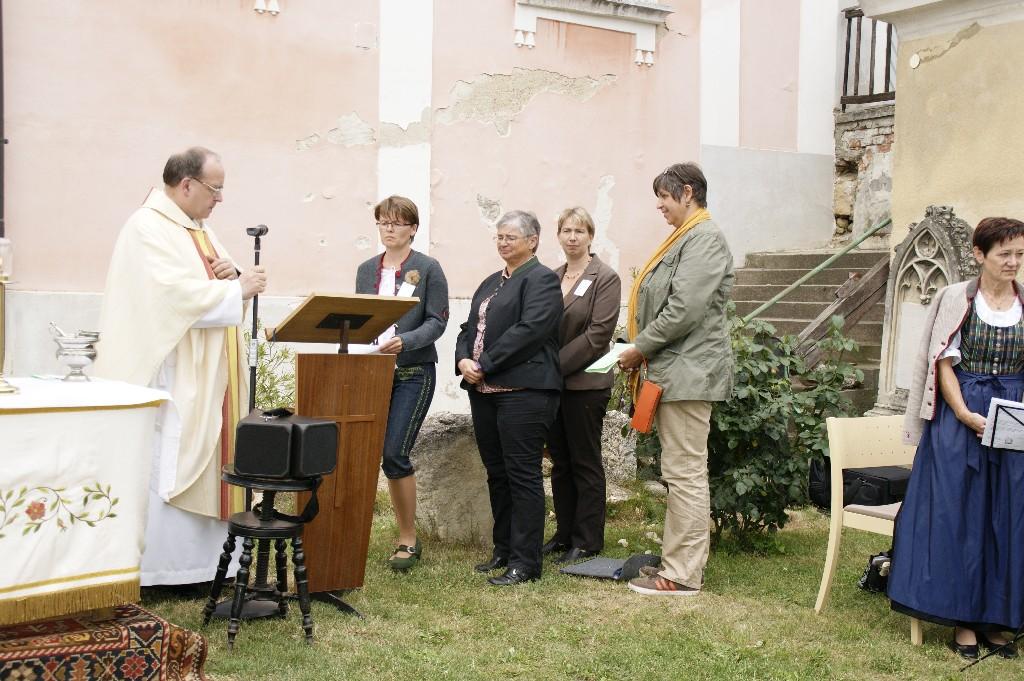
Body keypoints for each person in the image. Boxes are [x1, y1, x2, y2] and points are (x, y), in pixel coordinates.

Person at [94, 146, 267, 586]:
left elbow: (209, 285)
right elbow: (168, 298)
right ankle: (164, 570)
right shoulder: (147, 228)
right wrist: (236, 290)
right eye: (215, 188)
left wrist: (232, 276)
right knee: (171, 459)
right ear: (187, 184)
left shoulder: (198, 228)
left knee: (209, 453)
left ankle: (211, 567)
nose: (220, 198)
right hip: (171, 373)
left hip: (207, 370)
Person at [890, 217, 1024, 661]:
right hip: (960, 415)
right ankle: (963, 620)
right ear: (979, 254)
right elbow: (942, 361)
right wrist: (965, 413)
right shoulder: (955, 298)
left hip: (1013, 416)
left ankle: (997, 618)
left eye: (1020, 254)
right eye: (1005, 254)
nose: (1013, 262)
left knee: (1006, 515)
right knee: (961, 516)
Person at [617, 163, 734, 596]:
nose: (659, 206)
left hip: (689, 372)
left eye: (664, 197)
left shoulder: (704, 238)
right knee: (679, 471)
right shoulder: (687, 237)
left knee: (685, 472)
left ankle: (682, 573)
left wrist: (640, 347)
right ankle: (676, 562)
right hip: (676, 370)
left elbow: (684, 309)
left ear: (687, 192)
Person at [456, 210, 562, 586]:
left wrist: (484, 363)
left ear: (532, 241)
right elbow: (468, 328)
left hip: (525, 392)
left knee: (522, 476)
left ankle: (525, 562)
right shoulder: (490, 281)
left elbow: (530, 330)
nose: (502, 243)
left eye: (510, 237)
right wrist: (463, 360)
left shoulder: (542, 279)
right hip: (484, 391)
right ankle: (503, 550)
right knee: (497, 474)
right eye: (499, 237)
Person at [355, 195, 449, 571]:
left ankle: (408, 537)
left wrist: (406, 341)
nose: (389, 229)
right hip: (373, 372)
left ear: (413, 228)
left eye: (396, 222)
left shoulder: (427, 268)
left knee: (394, 452)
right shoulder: (366, 270)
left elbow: (437, 320)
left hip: (413, 371)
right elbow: (360, 317)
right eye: (383, 222)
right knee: (366, 453)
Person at [542, 207, 621, 564]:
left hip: (586, 384)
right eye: (566, 231)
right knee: (560, 462)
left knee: (584, 461)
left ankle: (587, 540)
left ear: (591, 236)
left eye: (580, 231)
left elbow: (597, 335)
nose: (572, 237)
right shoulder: (552, 277)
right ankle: (564, 535)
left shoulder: (605, 277)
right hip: (552, 384)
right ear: (558, 235)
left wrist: (552, 368)